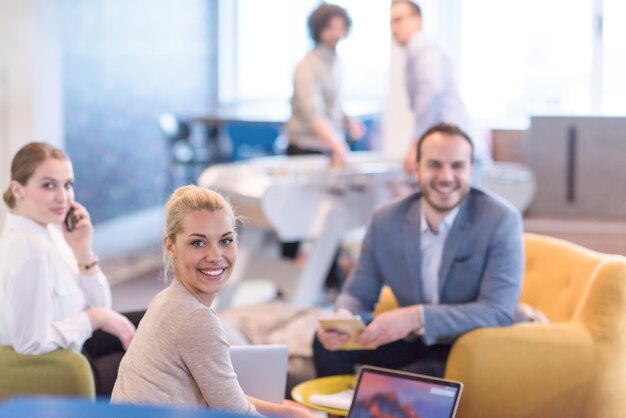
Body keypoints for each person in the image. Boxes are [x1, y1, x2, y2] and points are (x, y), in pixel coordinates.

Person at [313, 123, 524, 378]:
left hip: (470, 344)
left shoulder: (500, 219)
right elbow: (358, 293)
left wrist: (416, 317)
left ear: (471, 170)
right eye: (434, 165)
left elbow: (497, 312)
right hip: (414, 340)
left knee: (408, 380)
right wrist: (342, 319)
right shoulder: (386, 220)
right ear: (417, 168)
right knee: (326, 346)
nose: (446, 177)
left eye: (457, 166)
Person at [111, 186, 313, 417]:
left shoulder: (166, 300)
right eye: (198, 243)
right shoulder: (195, 319)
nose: (215, 255)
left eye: (225, 241)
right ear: (171, 247)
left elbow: (227, 400)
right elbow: (236, 414)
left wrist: (293, 413)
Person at [0, 142, 138, 396]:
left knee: (158, 323)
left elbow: (101, 304)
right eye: (49, 185)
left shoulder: (48, 231)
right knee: (164, 361)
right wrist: (93, 318)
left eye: (67, 185)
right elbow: (30, 342)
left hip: (77, 344)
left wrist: (82, 249)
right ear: (17, 190)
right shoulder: (30, 249)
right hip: (60, 366)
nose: (63, 197)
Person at [389, 0, 491, 175]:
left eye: (399, 20)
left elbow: (431, 92)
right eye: (391, 22)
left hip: (457, 149)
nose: (393, 28)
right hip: (454, 149)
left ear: (418, 20)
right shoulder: (419, 49)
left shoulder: (423, 47)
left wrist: (416, 144)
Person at [284, 3, 365, 168]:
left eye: (340, 27)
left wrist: (348, 121)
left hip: (329, 146)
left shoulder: (337, 63)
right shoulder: (307, 65)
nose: (336, 33)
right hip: (307, 149)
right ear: (319, 30)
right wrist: (338, 145)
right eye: (330, 27)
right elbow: (313, 115)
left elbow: (333, 102)